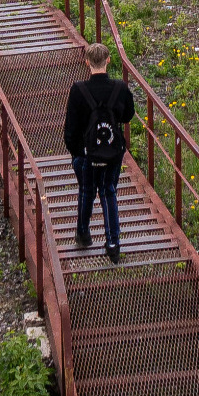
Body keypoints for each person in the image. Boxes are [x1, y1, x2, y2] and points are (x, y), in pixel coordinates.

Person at [63, 44, 136, 262]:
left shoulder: (78, 90)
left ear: (87, 62)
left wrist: (77, 154)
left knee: (86, 191)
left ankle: (83, 234)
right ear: (108, 60)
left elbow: (71, 128)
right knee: (108, 191)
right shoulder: (120, 88)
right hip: (112, 151)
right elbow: (128, 116)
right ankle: (113, 244)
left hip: (86, 153)